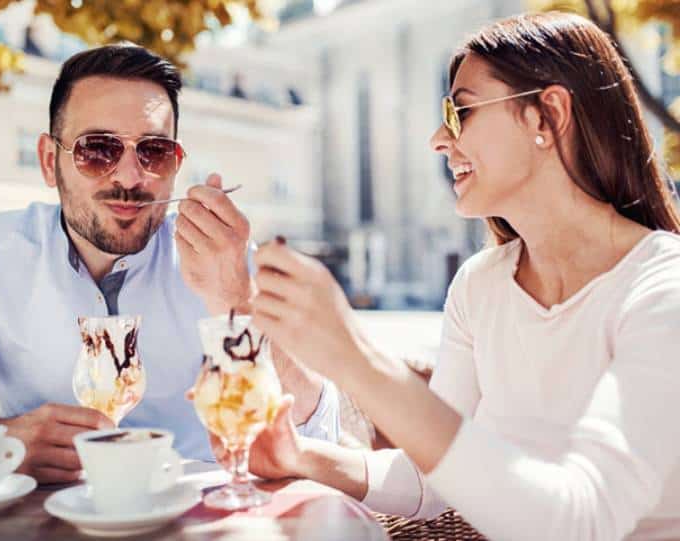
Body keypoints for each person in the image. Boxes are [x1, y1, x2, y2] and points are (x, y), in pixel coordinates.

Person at [232, 12, 680, 541]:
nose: (439, 139)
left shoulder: (662, 287)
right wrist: (299, 454)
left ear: (547, 115)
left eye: (460, 110)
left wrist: (353, 357)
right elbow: (431, 481)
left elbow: (579, 520)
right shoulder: (480, 285)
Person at [0, 45, 339, 484]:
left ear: (176, 165)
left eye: (154, 151)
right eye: (97, 149)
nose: (129, 176)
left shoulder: (223, 253)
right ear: (48, 161)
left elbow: (319, 433)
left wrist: (239, 300)